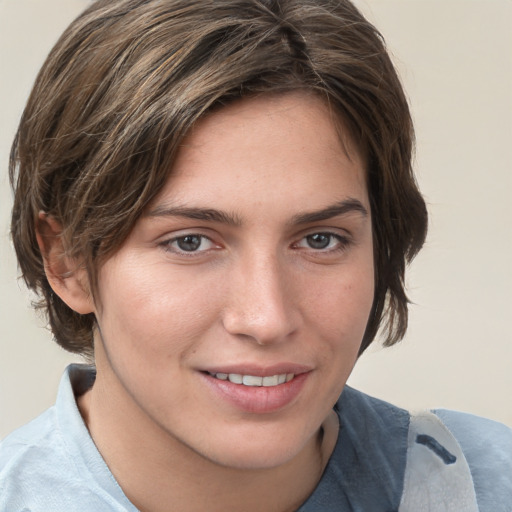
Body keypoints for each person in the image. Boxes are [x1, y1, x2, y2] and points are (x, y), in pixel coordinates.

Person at [0, 0, 510, 510]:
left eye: (320, 239)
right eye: (190, 241)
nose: (267, 319)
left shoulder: (488, 487)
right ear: (68, 262)